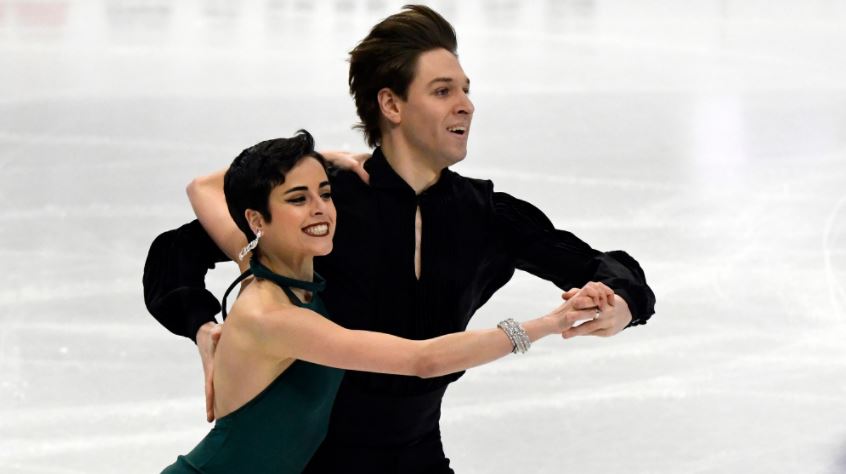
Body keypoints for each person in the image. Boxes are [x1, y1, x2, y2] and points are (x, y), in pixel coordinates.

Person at [143, 5, 656, 473]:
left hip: (417, 458)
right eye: (442, 91)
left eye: (466, 89)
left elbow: (603, 267)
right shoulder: (323, 206)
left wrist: (621, 306)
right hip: (313, 465)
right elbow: (176, 253)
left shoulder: (486, 216)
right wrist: (203, 329)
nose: (467, 106)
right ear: (390, 103)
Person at [161, 130, 616, 474]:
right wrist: (547, 323)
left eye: (324, 192)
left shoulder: (258, 258)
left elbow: (202, 186)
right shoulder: (271, 315)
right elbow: (422, 359)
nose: (320, 208)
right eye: (298, 199)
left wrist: (317, 161)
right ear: (257, 218)